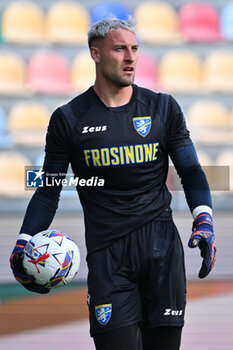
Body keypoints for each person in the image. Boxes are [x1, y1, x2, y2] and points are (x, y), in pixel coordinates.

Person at [10, 17, 216, 350]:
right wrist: (23, 241)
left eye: (134, 49)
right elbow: (48, 190)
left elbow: (191, 171)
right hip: (109, 258)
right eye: (120, 49)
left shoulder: (163, 108)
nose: (130, 57)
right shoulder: (69, 119)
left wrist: (204, 219)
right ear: (95, 53)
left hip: (162, 252)